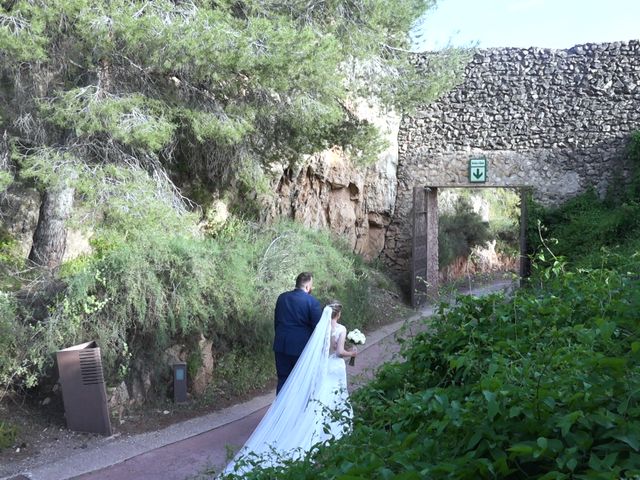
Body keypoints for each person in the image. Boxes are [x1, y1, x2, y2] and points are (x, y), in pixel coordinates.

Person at [222, 302, 357, 476]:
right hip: (335, 367)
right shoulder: (341, 328)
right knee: (336, 397)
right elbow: (339, 352)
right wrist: (352, 353)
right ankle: (333, 435)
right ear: (338, 315)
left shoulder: (320, 329)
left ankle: (315, 431)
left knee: (321, 398)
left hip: (323, 368)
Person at [273, 272, 323, 394]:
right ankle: (297, 412)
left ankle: (280, 411)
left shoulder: (282, 297)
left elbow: (277, 321)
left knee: (283, 379)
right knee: (302, 380)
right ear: (307, 287)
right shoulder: (312, 302)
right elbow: (318, 329)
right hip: (301, 347)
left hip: (281, 344)